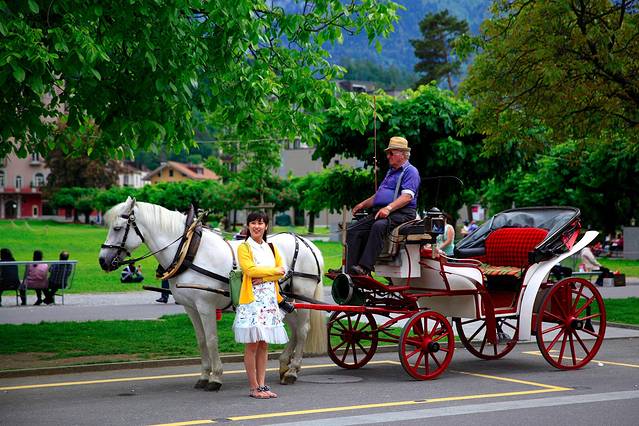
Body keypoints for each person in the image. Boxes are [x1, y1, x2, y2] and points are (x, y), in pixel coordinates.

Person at [346, 136, 421, 275]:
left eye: (391, 153)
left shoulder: (411, 171)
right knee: (353, 229)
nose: (388, 156)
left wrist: (388, 208)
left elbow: (407, 197)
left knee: (379, 225)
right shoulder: (391, 171)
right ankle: (348, 269)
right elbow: (378, 196)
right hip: (385, 212)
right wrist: (362, 204)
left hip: (403, 212)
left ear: (402, 154)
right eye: (388, 153)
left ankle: (364, 268)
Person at [234, 211, 288, 399]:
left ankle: (262, 385)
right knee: (252, 345)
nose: (257, 226)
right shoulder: (244, 248)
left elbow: (283, 271)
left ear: (266, 226)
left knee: (264, 344)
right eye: (253, 223)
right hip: (252, 302)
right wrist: (273, 271)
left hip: (269, 302)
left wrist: (264, 276)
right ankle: (253, 387)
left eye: (260, 223)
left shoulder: (271, 248)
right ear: (248, 225)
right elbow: (250, 270)